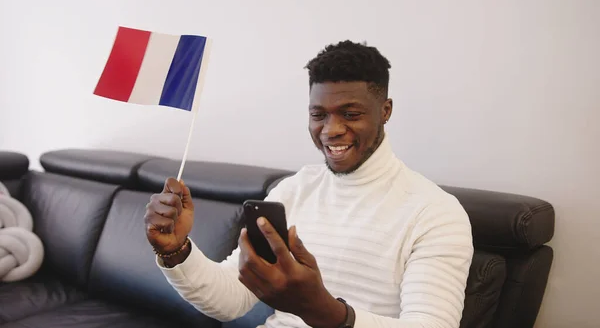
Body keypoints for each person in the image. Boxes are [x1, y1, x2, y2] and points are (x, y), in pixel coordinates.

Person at [144, 40, 474, 328]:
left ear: (385, 111)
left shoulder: (435, 213)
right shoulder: (295, 188)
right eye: (319, 115)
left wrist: (326, 312)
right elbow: (232, 302)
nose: (331, 129)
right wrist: (175, 251)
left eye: (350, 113)